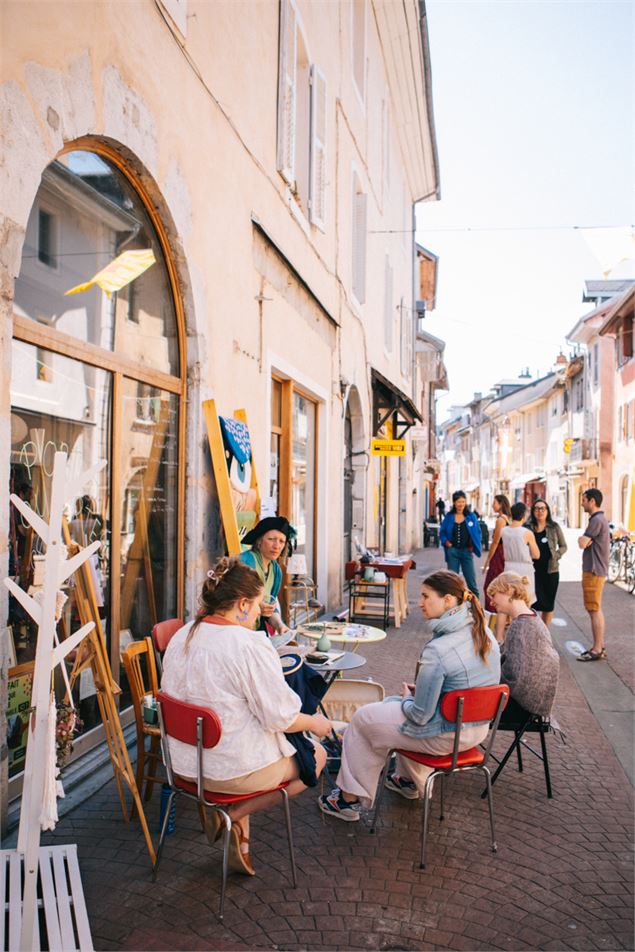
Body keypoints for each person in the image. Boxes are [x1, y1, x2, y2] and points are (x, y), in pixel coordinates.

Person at [161, 557, 332, 873]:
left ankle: (242, 842)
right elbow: (281, 717)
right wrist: (317, 723)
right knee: (317, 756)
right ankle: (235, 814)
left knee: (250, 736)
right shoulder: (247, 644)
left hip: (183, 765)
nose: (257, 613)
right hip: (225, 771)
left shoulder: (182, 634)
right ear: (241, 604)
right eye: (256, 606)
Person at [317, 570, 500, 820]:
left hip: (444, 735)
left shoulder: (438, 650)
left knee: (363, 719)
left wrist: (405, 699)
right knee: (388, 718)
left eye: (426, 596)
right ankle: (406, 781)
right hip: (476, 732)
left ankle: (346, 800)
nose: (420, 603)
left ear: (448, 600)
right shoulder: (485, 634)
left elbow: (420, 716)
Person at [487, 572, 559, 724]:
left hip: (522, 708)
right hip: (536, 705)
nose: (491, 601)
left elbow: (513, 676)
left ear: (509, 590)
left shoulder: (520, 626)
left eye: (493, 595)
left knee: (464, 705)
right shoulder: (532, 618)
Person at [240, 516, 294, 636]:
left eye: (281, 541)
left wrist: (280, 625)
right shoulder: (245, 562)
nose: (277, 546)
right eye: (271, 539)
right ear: (259, 540)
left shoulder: (276, 570)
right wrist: (257, 605)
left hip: (257, 631)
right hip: (239, 630)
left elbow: (271, 607)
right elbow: (231, 600)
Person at [577, 488, 610, 661]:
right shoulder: (598, 519)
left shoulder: (596, 520)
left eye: (584, 500)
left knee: (594, 609)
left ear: (592, 501)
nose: (582, 503)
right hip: (596, 569)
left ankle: (597, 649)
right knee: (594, 609)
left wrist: (583, 540)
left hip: (594, 569)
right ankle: (599, 647)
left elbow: (582, 543)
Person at [525, 498, 567, 627]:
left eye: (543, 508)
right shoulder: (527, 527)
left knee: (548, 605)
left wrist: (556, 556)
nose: (540, 511)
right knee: (532, 604)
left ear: (547, 511)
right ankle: (534, 631)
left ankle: (545, 634)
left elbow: (563, 546)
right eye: (537, 508)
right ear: (533, 511)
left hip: (551, 570)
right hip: (532, 572)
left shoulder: (554, 527)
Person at [439, 491, 481, 597]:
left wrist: (473, 545)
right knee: (452, 581)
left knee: (471, 582)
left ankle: (476, 609)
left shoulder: (471, 516)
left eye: (463, 501)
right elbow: (442, 532)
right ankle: (453, 608)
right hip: (453, 552)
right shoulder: (449, 516)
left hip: (467, 552)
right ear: (454, 503)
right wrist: (446, 542)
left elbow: (478, 532)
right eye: (458, 502)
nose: (461, 504)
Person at [500, 502, 540, 608]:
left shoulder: (504, 531)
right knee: (525, 602)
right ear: (523, 515)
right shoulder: (526, 533)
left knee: (511, 601)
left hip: (508, 567)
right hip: (524, 569)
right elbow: (536, 555)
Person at [482, 494, 512, 612]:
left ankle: (493, 614)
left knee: (490, 588)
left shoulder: (501, 520)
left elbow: (495, 542)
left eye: (494, 503)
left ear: (500, 504)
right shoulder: (508, 518)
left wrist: (488, 560)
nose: (492, 505)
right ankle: (503, 615)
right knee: (501, 587)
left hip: (499, 554)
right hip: (505, 553)